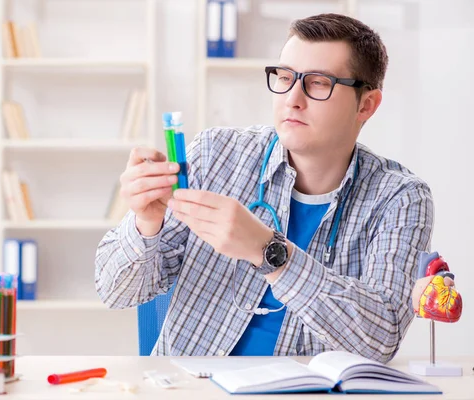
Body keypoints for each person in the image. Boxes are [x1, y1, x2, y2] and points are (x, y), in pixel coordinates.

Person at [95, 13, 434, 362]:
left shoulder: (400, 197)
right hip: (191, 389)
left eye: (318, 83)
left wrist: (269, 252)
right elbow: (114, 292)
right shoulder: (216, 155)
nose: (292, 98)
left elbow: (380, 339)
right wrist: (145, 225)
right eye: (285, 77)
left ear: (367, 104)